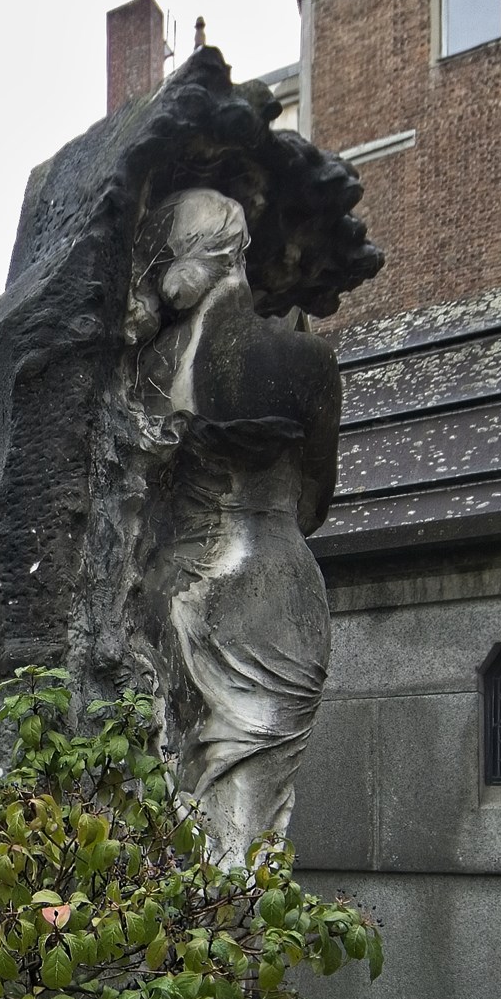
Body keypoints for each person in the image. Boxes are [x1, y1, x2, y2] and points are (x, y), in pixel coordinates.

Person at [120, 187, 343, 864]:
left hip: (173, 597)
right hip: (278, 593)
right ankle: (236, 959)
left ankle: (194, 956)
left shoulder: (151, 369)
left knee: (178, 815)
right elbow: (315, 503)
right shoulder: (308, 364)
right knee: (252, 831)